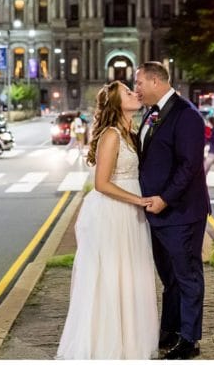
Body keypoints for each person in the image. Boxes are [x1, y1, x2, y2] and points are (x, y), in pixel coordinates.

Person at [56, 82, 158, 360]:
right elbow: (101, 183)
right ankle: (107, 344)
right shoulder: (111, 135)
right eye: (127, 92)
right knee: (112, 276)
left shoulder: (131, 132)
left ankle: (129, 342)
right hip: (115, 212)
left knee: (130, 275)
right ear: (116, 103)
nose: (134, 93)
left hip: (130, 213)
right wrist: (139, 201)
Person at [134, 61, 212, 360]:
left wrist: (164, 199)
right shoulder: (152, 113)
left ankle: (189, 339)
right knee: (170, 278)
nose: (137, 88)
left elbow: (189, 166)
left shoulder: (187, 115)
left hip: (181, 212)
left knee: (188, 276)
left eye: (139, 83)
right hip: (157, 213)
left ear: (156, 82)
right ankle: (169, 328)